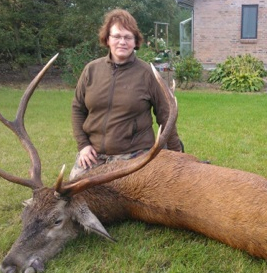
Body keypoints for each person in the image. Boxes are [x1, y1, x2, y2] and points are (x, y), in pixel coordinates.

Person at [70, 9, 183, 180]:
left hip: (134, 156)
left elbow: (166, 116)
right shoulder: (91, 70)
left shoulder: (148, 74)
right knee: (69, 198)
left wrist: (178, 156)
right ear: (107, 39)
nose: (122, 42)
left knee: (126, 203)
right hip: (93, 155)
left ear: (135, 41)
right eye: (116, 36)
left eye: (128, 37)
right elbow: (78, 109)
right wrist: (83, 145)